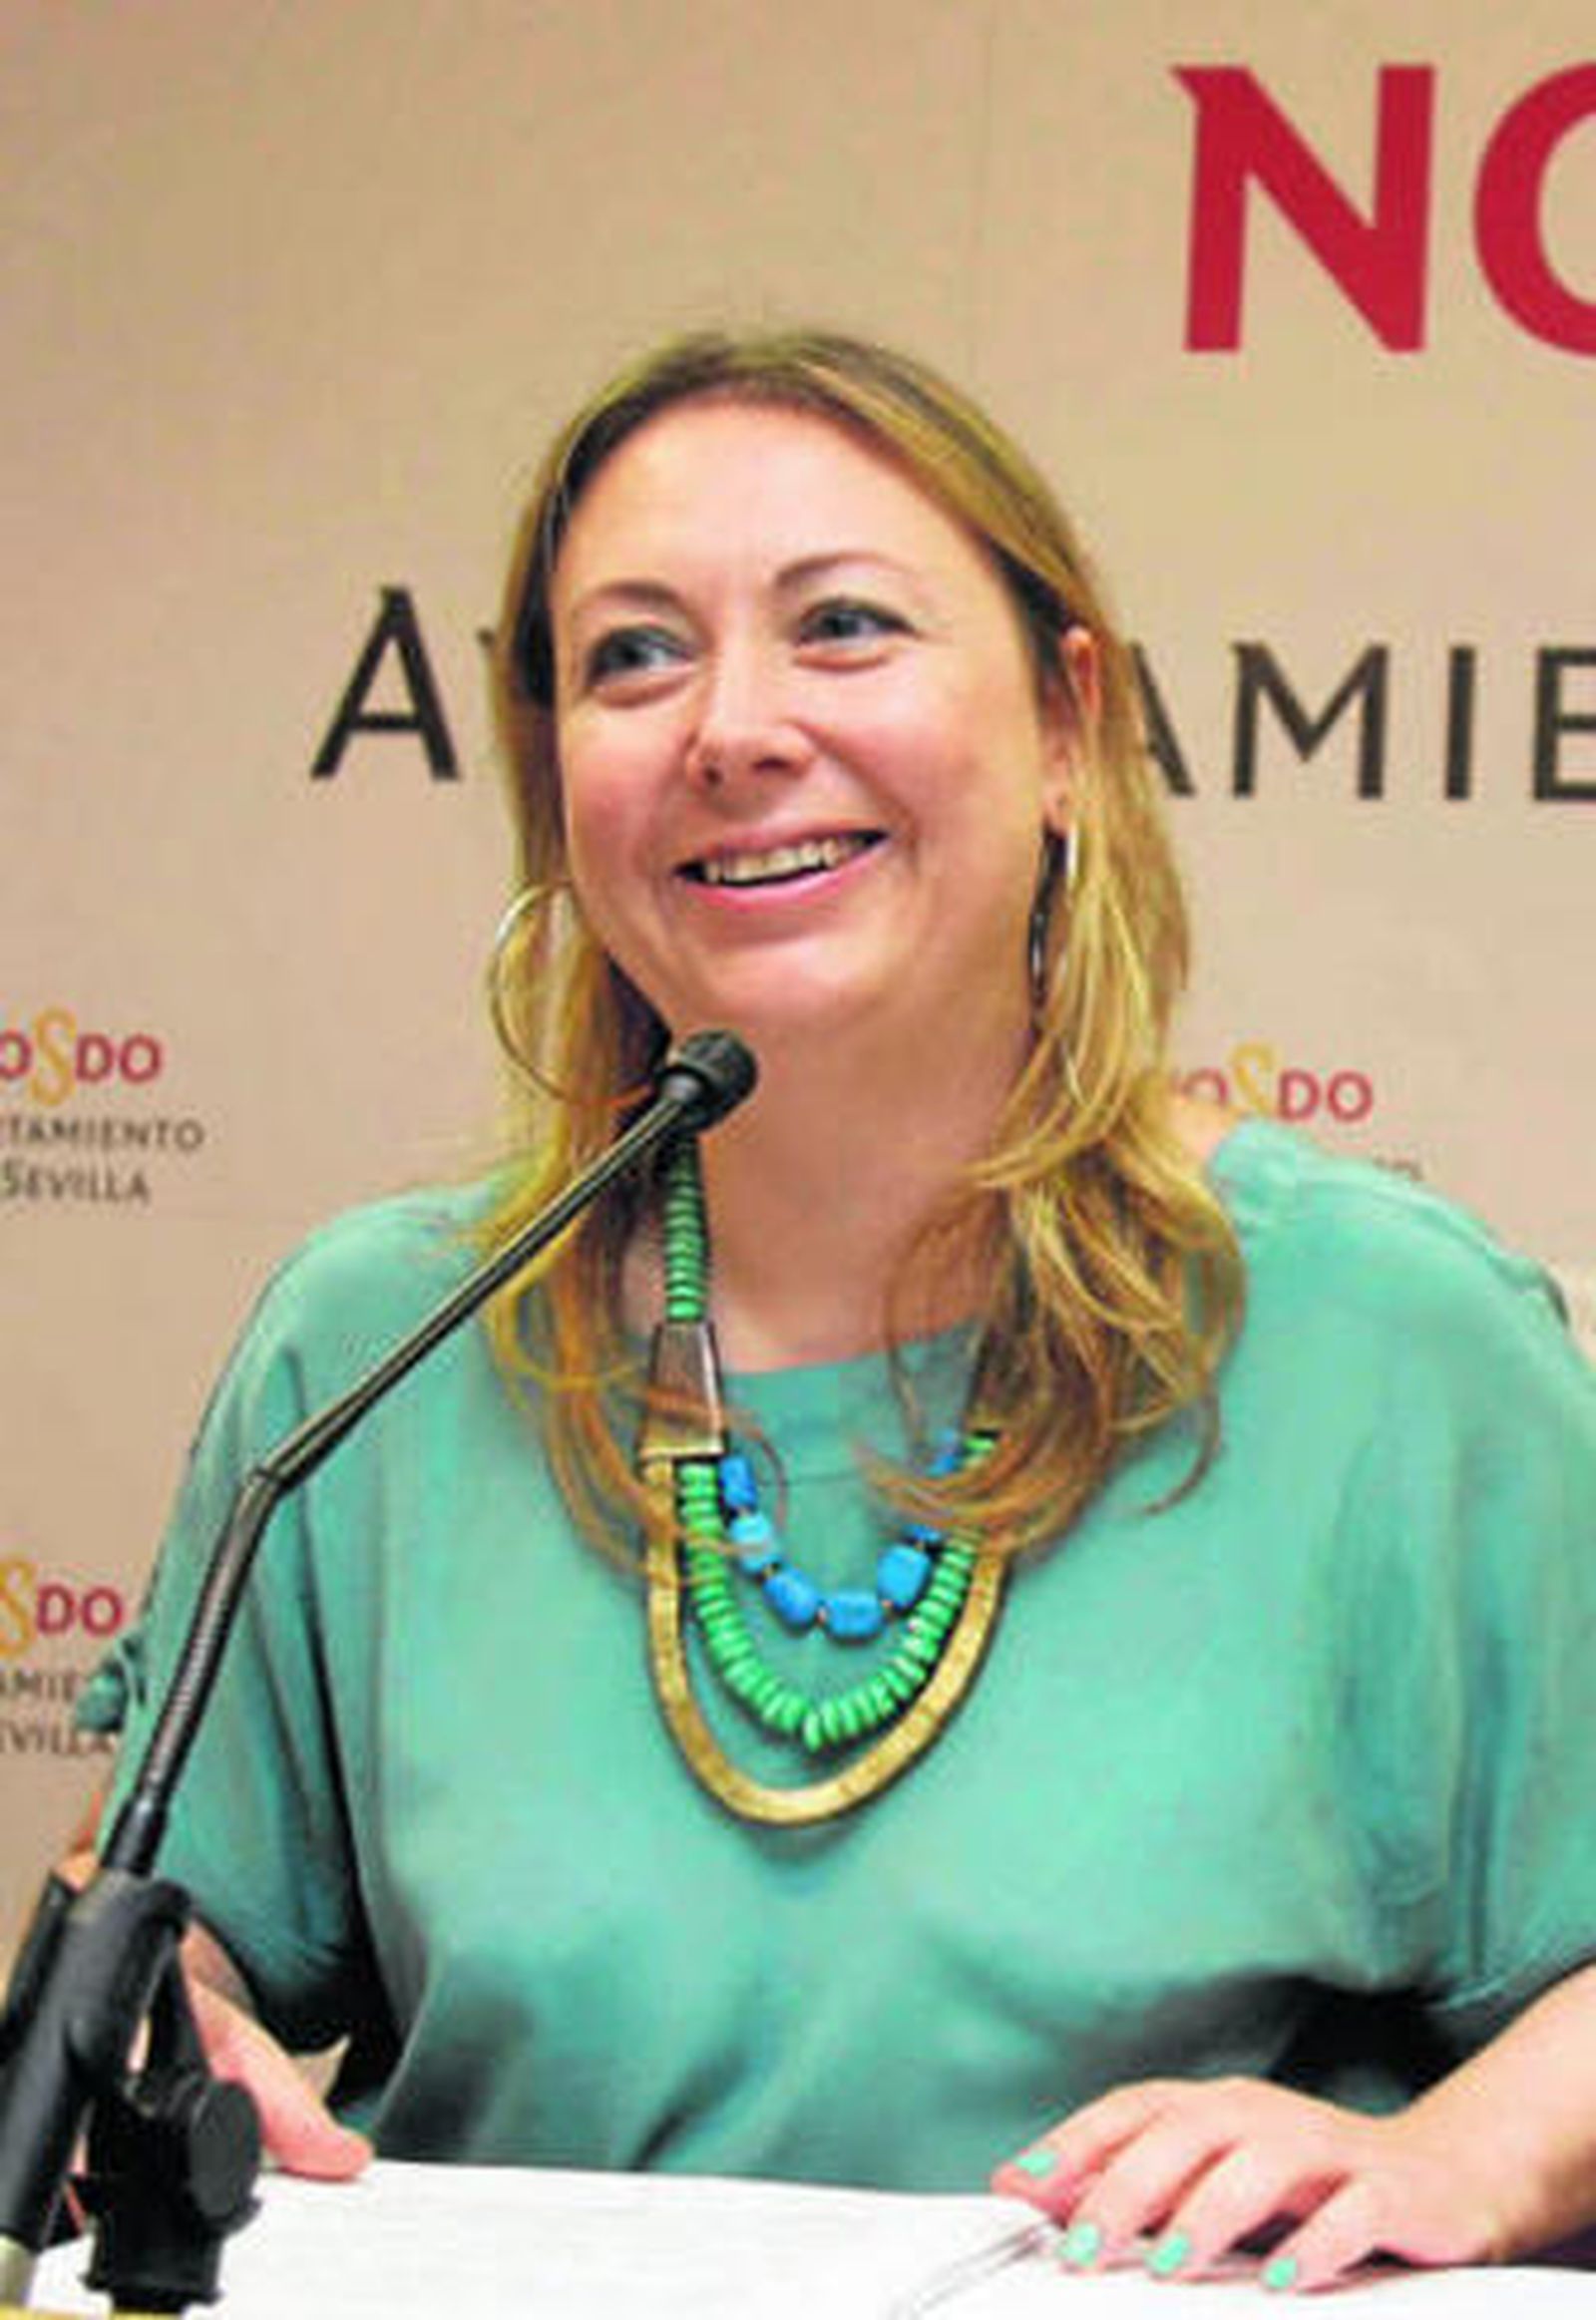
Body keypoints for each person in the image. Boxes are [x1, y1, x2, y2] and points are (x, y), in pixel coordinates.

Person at [80, 328, 1596, 2294]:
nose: (730, 727)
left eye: (842, 626)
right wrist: (151, 2026)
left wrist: (1463, 2153)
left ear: (1068, 726)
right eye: (634, 655)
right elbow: (170, 1936)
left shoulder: (1392, 1341)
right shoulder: (378, 1342)